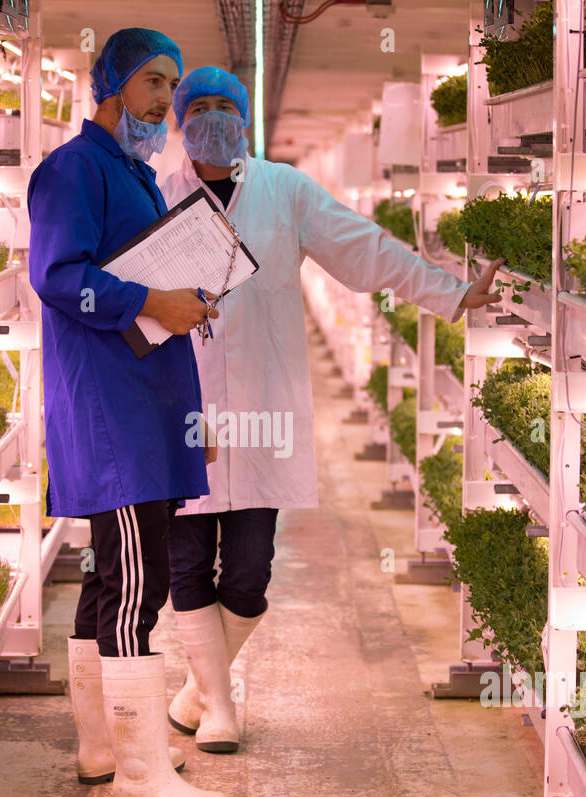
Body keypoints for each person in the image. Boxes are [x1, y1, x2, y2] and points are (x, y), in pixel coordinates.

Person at [159, 67, 504, 752]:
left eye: (228, 107)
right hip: (182, 409)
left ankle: (201, 689)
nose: (215, 118)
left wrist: (452, 293)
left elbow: (362, 248)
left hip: (263, 410)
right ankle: (222, 709)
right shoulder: (157, 196)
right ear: (177, 121)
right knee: (187, 563)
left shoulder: (284, 190)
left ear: (248, 120)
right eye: (199, 107)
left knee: (251, 570)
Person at [26, 30, 231, 797]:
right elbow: (58, 277)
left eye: (170, 86)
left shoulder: (131, 174)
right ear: (110, 84)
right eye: (152, 81)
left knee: (110, 578)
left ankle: (106, 745)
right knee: (135, 588)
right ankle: (142, 776)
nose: (163, 100)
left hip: (146, 408)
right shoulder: (74, 170)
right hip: (113, 413)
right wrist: (149, 301)